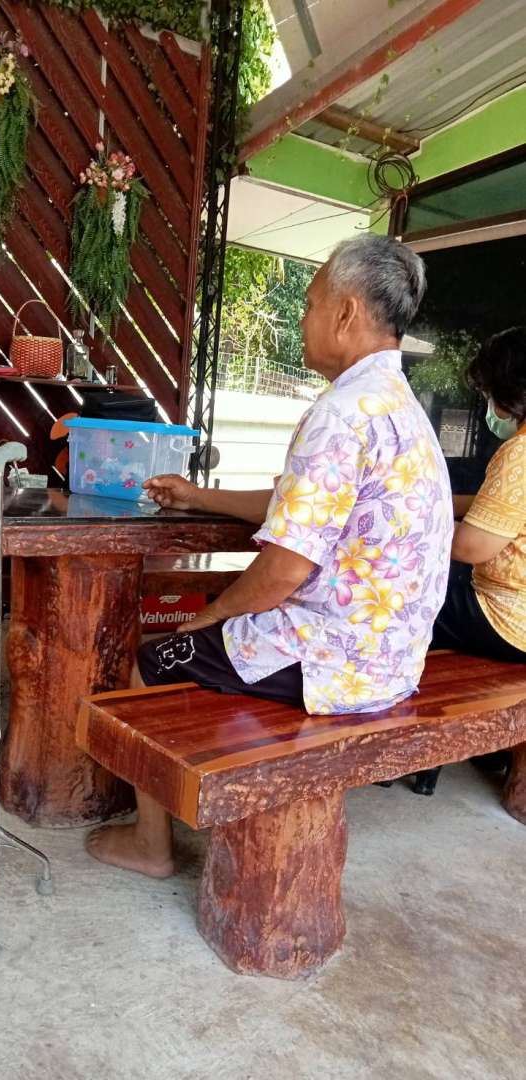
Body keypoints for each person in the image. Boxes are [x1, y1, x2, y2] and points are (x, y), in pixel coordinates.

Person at [86, 234, 454, 878]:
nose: (303, 319)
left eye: (310, 304)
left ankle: (150, 843)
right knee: (205, 637)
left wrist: (207, 618)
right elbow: (304, 505)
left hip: (332, 660)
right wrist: (198, 495)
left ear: (346, 312)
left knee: (150, 659)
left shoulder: (341, 413)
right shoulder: (403, 409)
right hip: (393, 659)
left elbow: (285, 570)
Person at [412, 328, 526, 795]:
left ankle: (410, 742)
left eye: (487, 394)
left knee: (404, 601)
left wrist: (399, 528)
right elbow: (492, 505)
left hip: (509, 619)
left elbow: (470, 547)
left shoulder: (519, 453)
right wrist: (433, 500)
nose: (488, 406)